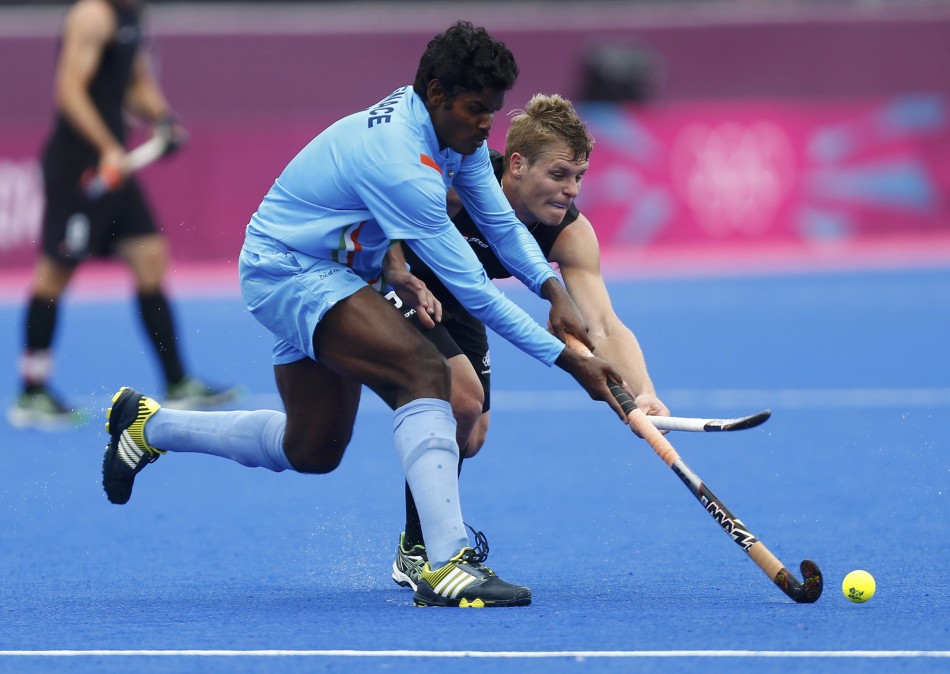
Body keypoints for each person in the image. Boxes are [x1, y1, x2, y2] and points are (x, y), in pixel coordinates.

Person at [99, 21, 635, 609]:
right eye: (476, 109)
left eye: (493, 111)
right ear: (436, 93)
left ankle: (146, 425)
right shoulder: (401, 163)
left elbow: (501, 224)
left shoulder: (458, 138)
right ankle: (445, 562)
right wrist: (566, 361)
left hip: (342, 271)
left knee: (312, 449)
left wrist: (548, 287)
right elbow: (476, 291)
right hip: (288, 270)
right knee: (424, 374)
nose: (487, 126)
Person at [387, 93, 671, 591]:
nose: (570, 191)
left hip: (461, 298)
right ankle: (421, 552)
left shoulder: (569, 233)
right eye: (559, 174)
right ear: (515, 165)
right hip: (397, 280)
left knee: (470, 434)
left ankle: (421, 544)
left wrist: (642, 391)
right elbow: (382, 213)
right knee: (461, 397)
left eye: (579, 177)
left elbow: (601, 323)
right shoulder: (457, 186)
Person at [8, 0, 237, 430]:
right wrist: (108, 146)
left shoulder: (133, 17)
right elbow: (69, 91)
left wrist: (163, 118)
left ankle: (177, 381)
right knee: (54, 276)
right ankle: (32, 391)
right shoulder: (91, 15)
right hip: (80, 167)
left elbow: (135, 82)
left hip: (116, 171)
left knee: (149, 258)